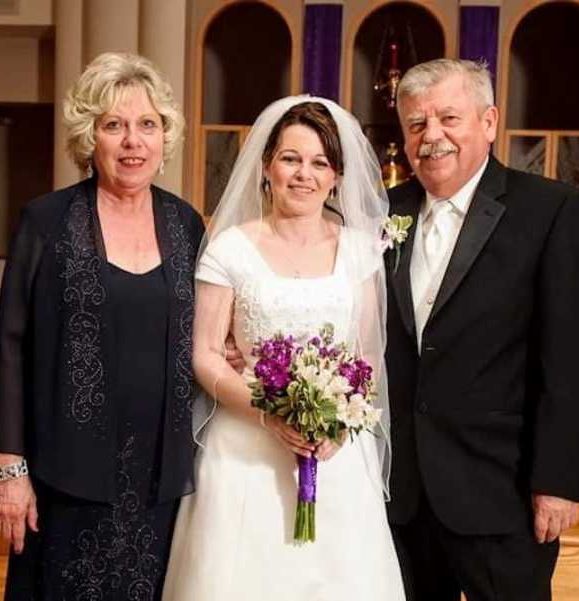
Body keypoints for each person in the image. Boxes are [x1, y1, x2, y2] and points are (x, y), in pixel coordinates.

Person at [0, 52, 204, 601]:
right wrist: (10, 470)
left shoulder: (186, 222)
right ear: (90, 136)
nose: (133, 142)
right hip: (66, 470)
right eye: (114, 125)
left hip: (160, 476)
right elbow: (11, 345)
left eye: (147, 125)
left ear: (164, 136)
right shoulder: (46, 220)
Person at [161, 97, 405, 600]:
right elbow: (204, 352)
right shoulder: (230, 247)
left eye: (319, 162)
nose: (303, 174)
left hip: (335, 455)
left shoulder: (359, 250)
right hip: (243, 450)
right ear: (267, 165)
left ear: (336, 176)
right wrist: (267, 413)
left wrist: (337, 424)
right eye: (291, 159)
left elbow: (366, 357)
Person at [385, 58, 579, 601]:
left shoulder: (551, 210)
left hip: (502, 491)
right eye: (416, 124)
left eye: (448, 119)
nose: (431, 136)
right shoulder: (383, 214)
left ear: (489, 122)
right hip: (402, 495)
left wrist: (556, 482)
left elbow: (573, 362)